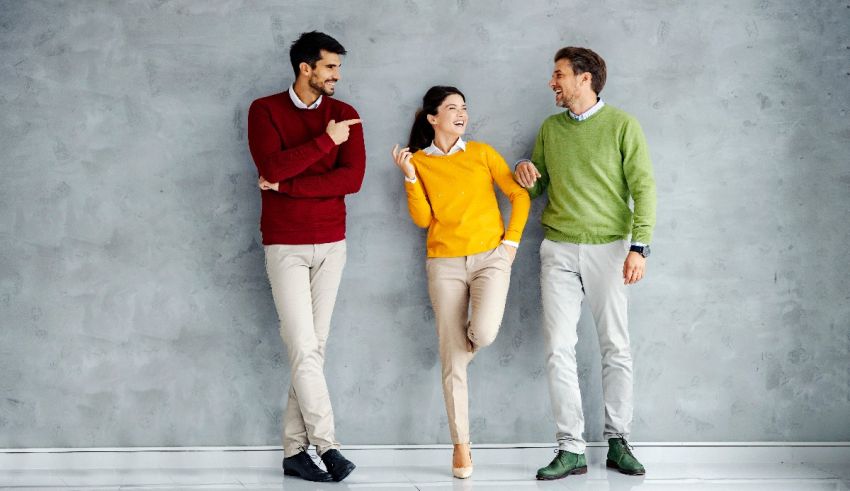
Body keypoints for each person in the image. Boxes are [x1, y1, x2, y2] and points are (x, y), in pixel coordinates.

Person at [513, 47, 656, 480]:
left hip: (610, 249)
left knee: (616, 346)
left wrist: (640, 247)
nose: (553, 82)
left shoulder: (622, 125)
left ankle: (618, 441)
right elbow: (538, 187)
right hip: (557, 248)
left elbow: (644, 188)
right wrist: (524, 172)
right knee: (559, 348)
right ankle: (571, 448)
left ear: (585, 78)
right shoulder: (550, 128)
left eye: (559, 75)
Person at [391, 86, 530, 479]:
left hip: (492, 258)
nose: (461, 114)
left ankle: (456, 350)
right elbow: (422, 219)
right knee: (452, 358)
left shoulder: (482, 153)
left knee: (481, 334)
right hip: (444, 263)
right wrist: (410, 177)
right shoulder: (420, 162)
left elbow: (518, 196)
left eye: (464, 108)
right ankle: (461, 446)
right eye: (452, 108)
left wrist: (511, 243)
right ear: (432, 117)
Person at [247, 31, 364, 483]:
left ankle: (295, 452)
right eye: (331, 67)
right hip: (285, 244)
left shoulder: (346, 115)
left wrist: (289, 187)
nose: (337, 75)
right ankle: (328, 446)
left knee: (312, 350)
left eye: (337, 67)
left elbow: (350, 180)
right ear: (306, 69)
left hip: (332, 242)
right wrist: (324, 143)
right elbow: (270, 166)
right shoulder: (265, 110)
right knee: (303, 347)